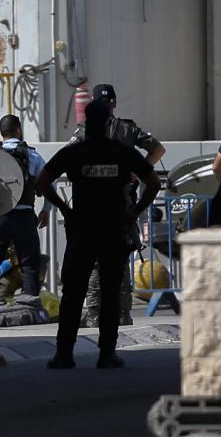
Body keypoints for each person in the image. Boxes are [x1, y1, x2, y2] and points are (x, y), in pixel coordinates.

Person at [39, 99, 161, 369]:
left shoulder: (75, 152)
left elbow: (43, 180)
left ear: (85, 122)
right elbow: (153, 183)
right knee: (110, 293)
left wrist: (63, 208)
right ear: (108, 123)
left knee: (73, 293)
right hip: (113, 230)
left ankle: (64, 354)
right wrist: (134, 211)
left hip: (82, 229)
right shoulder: (121, 152)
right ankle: (107, 354)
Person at [69, 84, 165, 325]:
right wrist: (137, 171)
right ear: (114, 102)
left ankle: (94, 314)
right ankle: (122, 314)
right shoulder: (128, 129)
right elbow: (158, 149)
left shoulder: (85, 131)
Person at [0, 114, 53, 326]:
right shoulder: (32, 156)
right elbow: (48, 185)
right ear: (19, 130)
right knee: (30, 264)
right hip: (24, 216)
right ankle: (31, 311)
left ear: (1, 132)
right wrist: (47, 210)